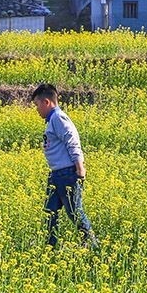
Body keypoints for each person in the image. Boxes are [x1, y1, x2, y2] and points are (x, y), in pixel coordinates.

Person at [32, 83, 98, 249]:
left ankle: (92, 246)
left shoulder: (58, 118)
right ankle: (50, 248)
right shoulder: (52, 120)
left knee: (75, 212)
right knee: (50, 213)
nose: (37, 109)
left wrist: (80, 168)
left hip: (67, 173)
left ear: (46, 102)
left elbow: (72, 141)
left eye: (37, 105)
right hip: (56, 174)